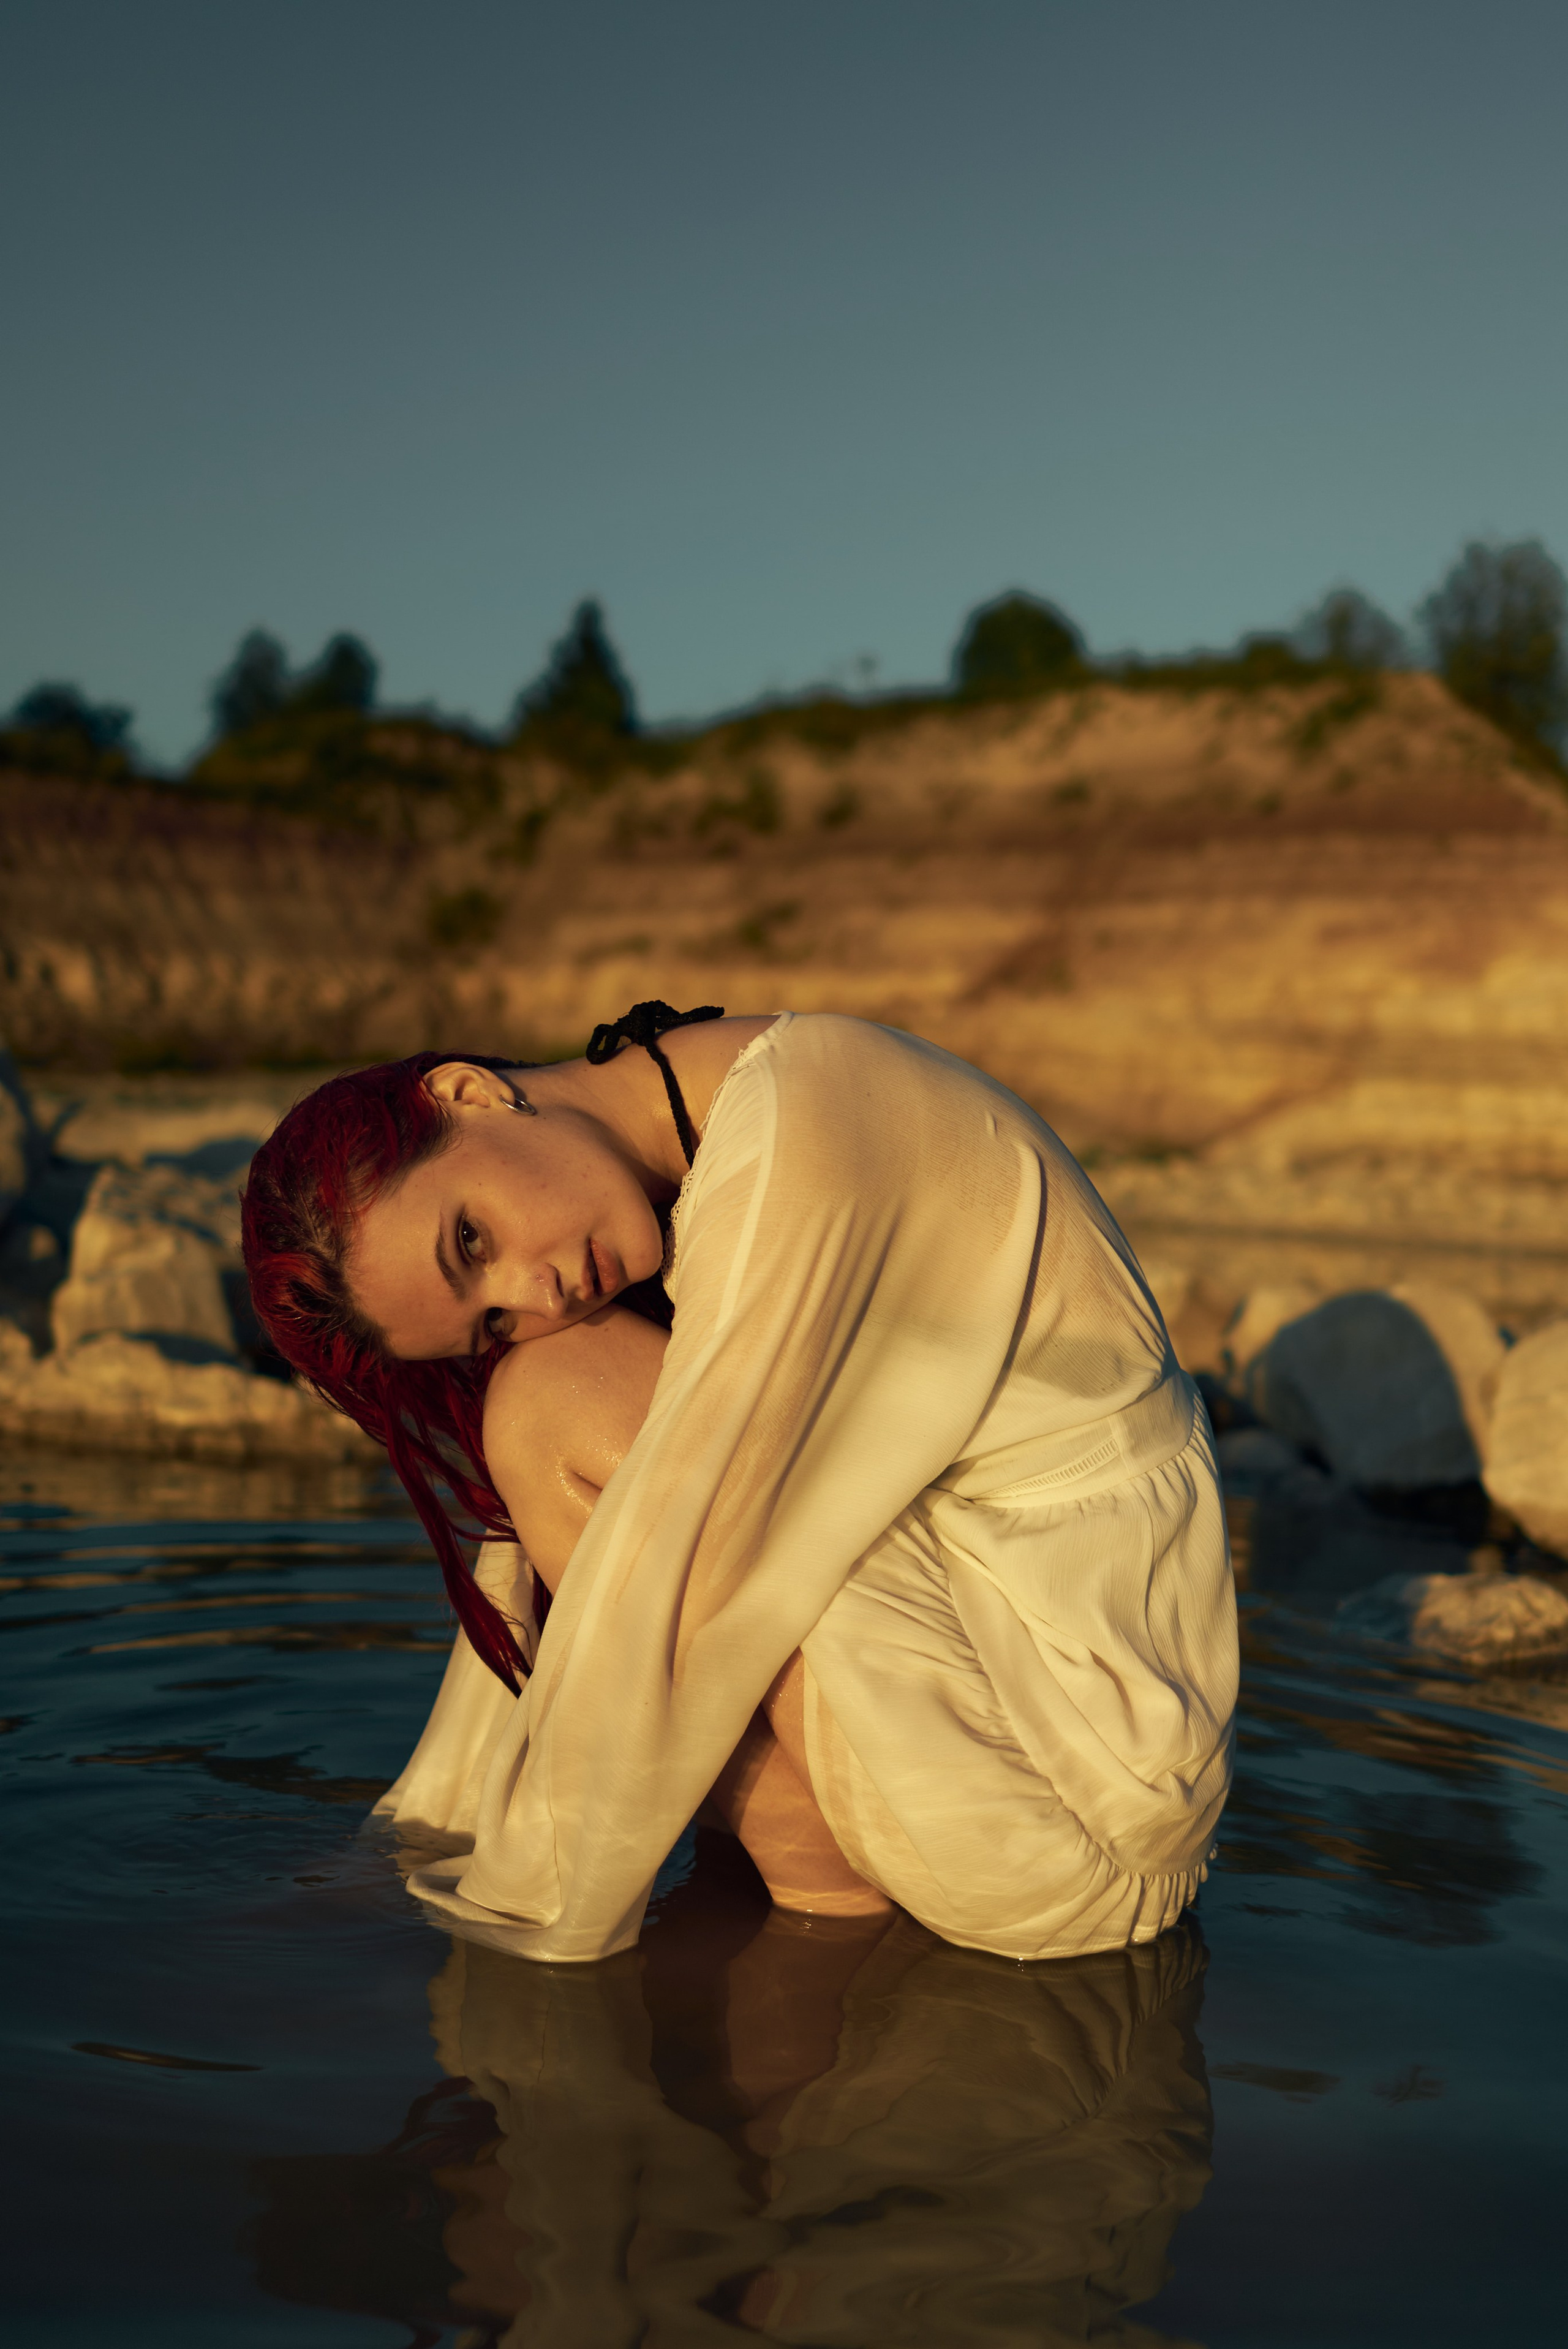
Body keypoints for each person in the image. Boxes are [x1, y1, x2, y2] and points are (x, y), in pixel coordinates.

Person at [241, 1002, 1237, 1962]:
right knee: (569, 1420)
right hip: (1077, 1760)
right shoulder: (756, 1090)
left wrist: (525, 1907)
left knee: (548, 1404)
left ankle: (824, 1925)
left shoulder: (800, 1131)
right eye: (489, 1319)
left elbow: (679, 1572)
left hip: (1068, 1811)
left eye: (472, 1240)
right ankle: (744, 1893)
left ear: (467, 1092)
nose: (536, 1292)